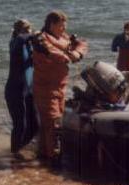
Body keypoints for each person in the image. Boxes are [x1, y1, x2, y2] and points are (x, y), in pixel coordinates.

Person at [31, 10, 88, 164]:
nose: (64, 29)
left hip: (60, 87)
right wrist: (70, 55)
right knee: (52, 123)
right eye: (61, 26)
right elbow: (53, 53)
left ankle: (44, 155)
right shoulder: (41, 39)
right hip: (45, 88)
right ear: (52, 24)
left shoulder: (63, 37)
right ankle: (52, 158)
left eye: (64, 26)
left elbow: (83, 44)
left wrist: (77, 52)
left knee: (51, 125)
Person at [5, 19, 38, 158]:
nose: (28, 32)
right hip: (15, 90)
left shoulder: (28, 45)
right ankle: (15, 153)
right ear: (19, 31)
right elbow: (20, 38)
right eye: (26, 30)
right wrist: (33, 35)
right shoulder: (15, 43)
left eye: (29, 30)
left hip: (28, 91)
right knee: (20, 125)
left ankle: (18, 150)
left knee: (35, 126)